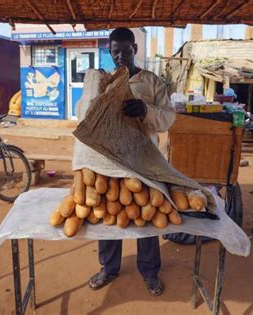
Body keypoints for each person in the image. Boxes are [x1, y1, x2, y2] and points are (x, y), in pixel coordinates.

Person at [87, 28, 175, 295]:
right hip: (110, 158)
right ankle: (109, 268)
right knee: (110, 213)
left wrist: (146, 110)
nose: (121, 56)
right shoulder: (103, 80)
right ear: (109, 51)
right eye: (115, 51)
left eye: (126, 50)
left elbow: (169, 118)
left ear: (135, 49)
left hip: (144, 158)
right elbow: (85, 113)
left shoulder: (151, 82)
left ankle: (149, 271)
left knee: (146, 214)